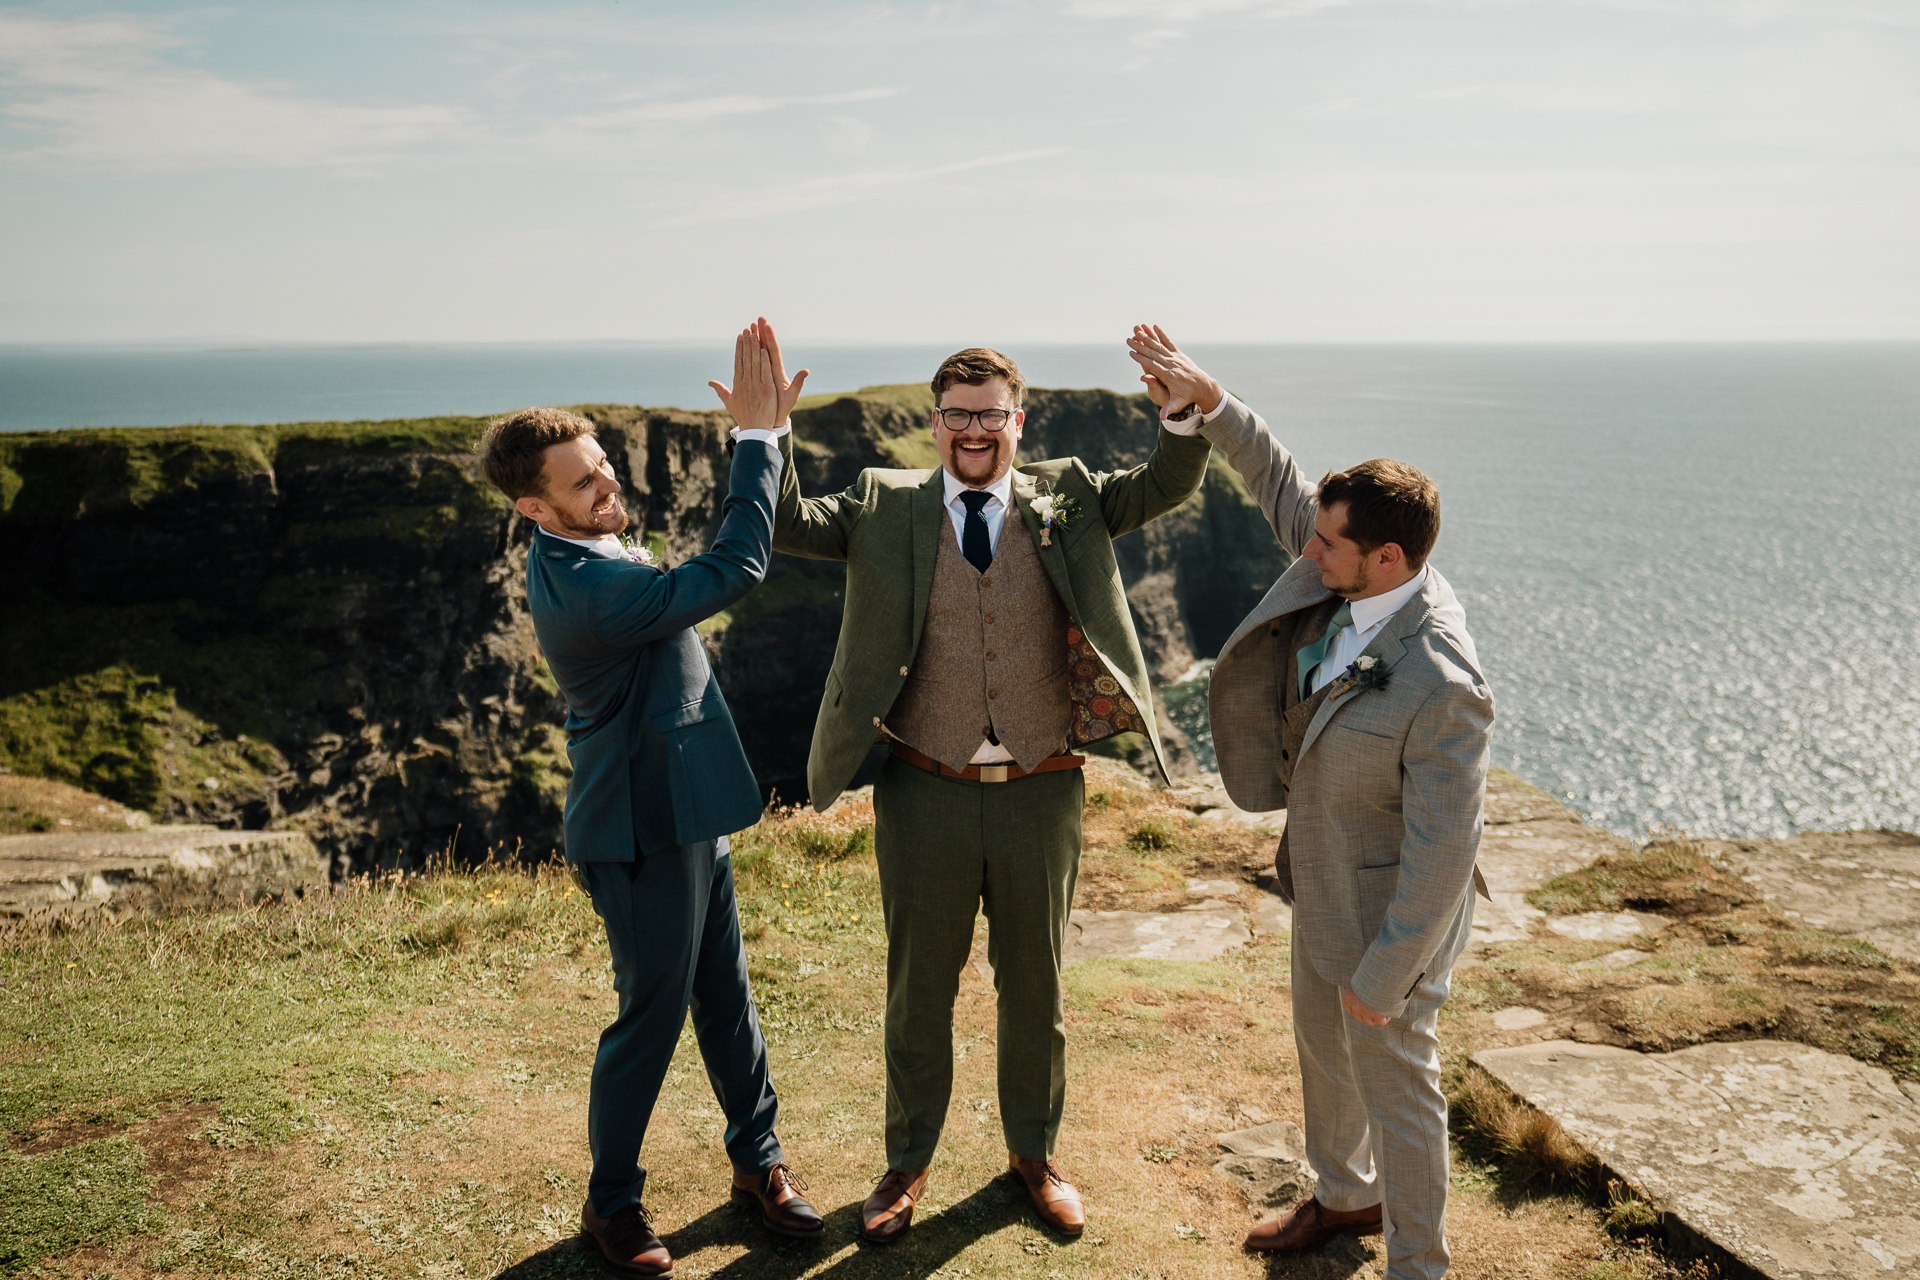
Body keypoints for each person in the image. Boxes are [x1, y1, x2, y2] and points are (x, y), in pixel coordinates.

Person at [766, 330, 1212, 1242]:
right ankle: (906, 1162)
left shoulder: (1072, 495)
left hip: (1042, 788)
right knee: (918, 985)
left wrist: (1181, 412)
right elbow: (784, 524)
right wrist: (765, 439)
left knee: (1036, 988)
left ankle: (1035, 1157)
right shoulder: (884, 503)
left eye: (992, 414)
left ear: (1019, 419)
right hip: (920, 787)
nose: (976, 430)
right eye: (958, 415)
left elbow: (1166, 484)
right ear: (936, 424)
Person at [1127, 325, 1492, 1280]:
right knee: (1322, 1059)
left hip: (1391, 919)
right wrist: (1211, 404)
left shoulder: (1442, 679)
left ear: (1389, 559)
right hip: (1320, 878)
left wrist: (1387, 973)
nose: (1308, 547)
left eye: (1330, 543)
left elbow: (1446, 852)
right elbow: (1281, 485)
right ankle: (1342, 1198)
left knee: (1399, 1088)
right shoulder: (1344, 566)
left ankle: (1420, 1263)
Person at [475, 328, 821, 1280]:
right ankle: (613, 1204)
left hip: (687, 815)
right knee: (651, 1016)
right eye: (584, 482)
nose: (608, 485)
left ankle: (760, 1166)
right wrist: (759, 440)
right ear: (533, 505)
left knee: (728, 1002)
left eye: (604, 466)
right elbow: (734, 569)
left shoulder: (593, 549)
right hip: (637, 831)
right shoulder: (589, 590)